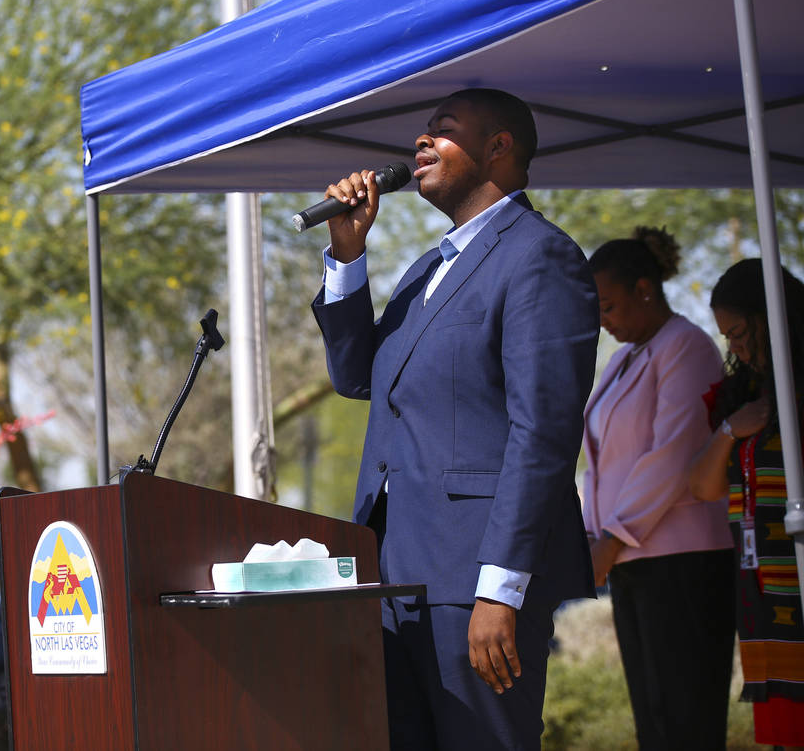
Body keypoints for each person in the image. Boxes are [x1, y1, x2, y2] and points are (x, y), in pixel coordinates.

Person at [311, 87, 598, 750]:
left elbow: (544, 436)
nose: (421, 141)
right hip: (394, 572)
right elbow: (358, 376)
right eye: (422, 130)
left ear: (499, 146)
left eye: (442, 129)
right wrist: (349, 258)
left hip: (475, 579)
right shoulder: (427, 270)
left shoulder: (539, 257)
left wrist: (500, 588)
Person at [582, 227, 734, 750]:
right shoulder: (625, 359)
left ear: (645, 289)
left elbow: (670, 455)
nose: (604, 321)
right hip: (627, 558)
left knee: (686, 714)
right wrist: (591, 534)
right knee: (653, 716)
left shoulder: (686, 347)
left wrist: (612, 537)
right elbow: (601, 458)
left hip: (682, 560)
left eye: (609, 306)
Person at [688, 258, 804, 750]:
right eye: (727, 338)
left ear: (772, 316)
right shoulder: (745, 393)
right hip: (762, 593)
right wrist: (733, 429)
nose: (733, 348)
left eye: (739, 332)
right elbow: (704, 487)